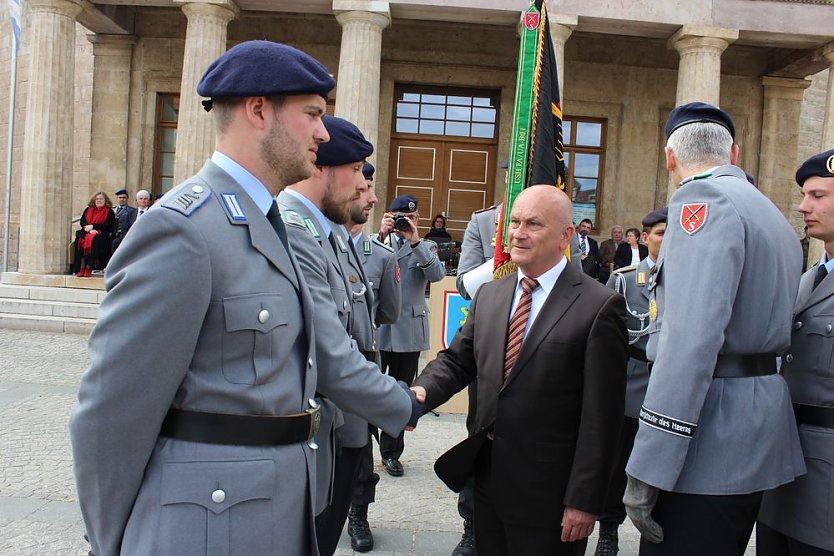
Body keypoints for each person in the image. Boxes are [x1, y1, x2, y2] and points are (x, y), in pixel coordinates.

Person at [69, 40, 420, 556]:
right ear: (259, 110)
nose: (323, 133)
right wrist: (117, 540)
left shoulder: (269, 221)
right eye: (313, 114)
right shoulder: (184, 230)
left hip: (272, 512)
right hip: (204, 529)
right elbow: (110, 413)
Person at [624, 102, 805, 555]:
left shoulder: (699, 201)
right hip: (759, 424)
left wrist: (649, 464)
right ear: (734, 153)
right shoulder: (770, 212)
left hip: (707, 436)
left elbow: (689, 343)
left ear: (669, 157)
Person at [410, 184, 627, 555]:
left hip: (552, 496)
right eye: (514, 221)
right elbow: (459, 360)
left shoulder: (599, 306)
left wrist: (584, 500)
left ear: (565, 236)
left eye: (533, 224)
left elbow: (602, 419)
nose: (518, 233)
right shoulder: (491, 295)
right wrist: (419, 394)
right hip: (489, 483)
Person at [276, 115, 410, 556]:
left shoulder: (328, 235)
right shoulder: (297, 233)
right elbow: (331, 353)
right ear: (321, 167)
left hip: (343, 426)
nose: (363, 187)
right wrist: (404, 403)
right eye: (356, 171)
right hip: (319, 430)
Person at [757, 149, 834, 555]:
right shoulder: (807, 280)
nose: (803, 206)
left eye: (818, 195)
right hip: (786, 468)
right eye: (805, 195)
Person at [596, 208, 666, 556]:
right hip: (631, 388)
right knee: (618, 463)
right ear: (646, 237)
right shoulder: (624, 280)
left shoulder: (690, 279)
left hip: (669, 390)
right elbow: (606, 339)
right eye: (659, 234)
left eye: (671, 234)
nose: (664, 241)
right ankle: (609, 530)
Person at [346, 161, 402, 552]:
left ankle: (358, 513)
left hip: (361, 357)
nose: (369, 197)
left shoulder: (381, 256)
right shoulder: (308, 241)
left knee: (358, 441)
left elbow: (389, 312)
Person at [375, 194, 446, 476]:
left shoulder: (426, 246)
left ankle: (391, 452)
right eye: (403, 218)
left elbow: (438, 275)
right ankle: (360, 448)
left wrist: (415, 240)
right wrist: (381, 234)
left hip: (408, 329)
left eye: (414, 218)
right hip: (379, 328)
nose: (408, 223)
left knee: (402, 391)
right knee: (369, 388)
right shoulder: (375, 241)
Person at [74, 191, 115, 276]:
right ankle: (80, 267)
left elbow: (108, 225)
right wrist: (89, 230)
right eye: (97, 199)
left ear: (105, 200)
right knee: (80, 240)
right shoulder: (88, 209)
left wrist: (94, 227)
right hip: (87, 231)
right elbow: (82, 222)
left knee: (96, 240)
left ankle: (89, 266)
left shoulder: (109, 211)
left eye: (101, 199)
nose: (99, 200)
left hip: (102, 233)